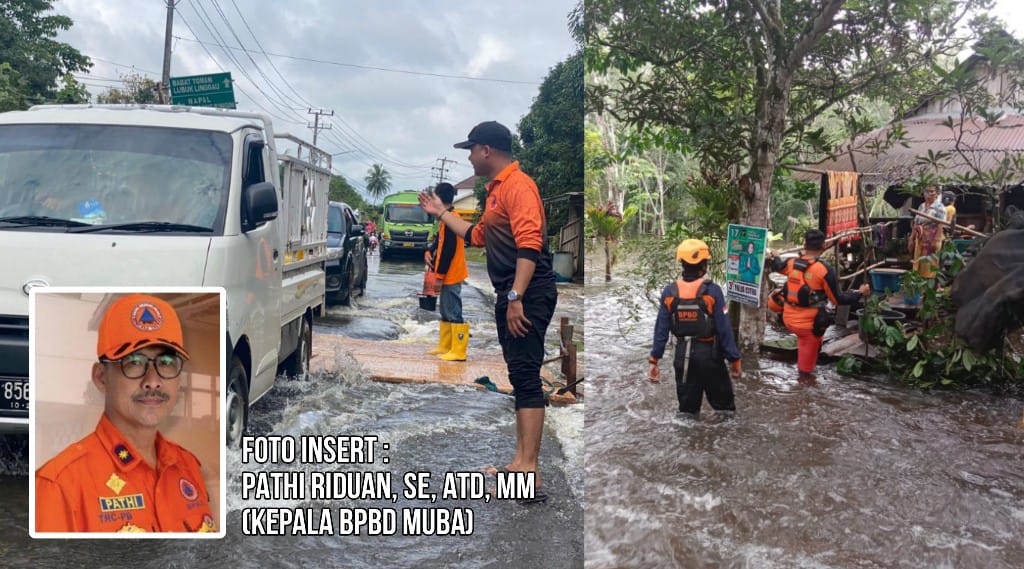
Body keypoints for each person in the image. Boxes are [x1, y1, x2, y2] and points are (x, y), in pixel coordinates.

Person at [418, 120, 557, 503]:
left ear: (487, 151)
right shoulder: (496, 192)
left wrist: (515, 298)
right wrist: (441, 211)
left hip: (527, 292)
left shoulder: (519, 187)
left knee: (526, 377)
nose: (468, 156)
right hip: (513, 292)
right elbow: (477, 236)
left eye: (471, 149)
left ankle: (530, 472)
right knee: (519, 374)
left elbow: (530, 247)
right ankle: (519, 463)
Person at [35, 294, 217, 533]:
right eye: (134, 362)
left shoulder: (189, 467)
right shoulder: (60, 486)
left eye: (165, 362)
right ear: (101, 377)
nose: (153, 381)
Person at [648, 239, 742, 418]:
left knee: (687, 413)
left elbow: (661, 329)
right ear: (704, 265)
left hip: (683, 358)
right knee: (725, 411)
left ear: (682, 263)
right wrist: (734, 360)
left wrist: (654, 361)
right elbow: (724, 330)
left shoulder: (670, 293)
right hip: (711, 357)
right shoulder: (712, 292)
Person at [769, 229, 870, 382]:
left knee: (813, 344)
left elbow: (777, 266)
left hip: (788, 319)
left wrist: (776, 256)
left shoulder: (791, 264)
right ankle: (804, 393)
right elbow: (839, 300)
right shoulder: (824, 270)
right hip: (808, 327)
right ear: (823, 246)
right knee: (805, 374)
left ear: (804, 244)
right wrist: (860, 292)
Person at [424, 182, 470, 361]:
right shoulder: (445, 219)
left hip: (452, 274)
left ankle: (459, 351)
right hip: (447, 273)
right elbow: (439, 243)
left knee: (453, 311)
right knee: (445, 310)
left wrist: (439, 276)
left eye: (434, 197)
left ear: (440, 199)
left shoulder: (452, 219)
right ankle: (445, 346)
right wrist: (429, 251)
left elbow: (448, 251)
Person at [908, 185, 946, 278]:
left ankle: (929, 286)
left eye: (932, 191)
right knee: (918, 263)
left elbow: (940, 225)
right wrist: (911, 238)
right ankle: (918, 287)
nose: (929, 194)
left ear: (937, 194)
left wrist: (936, 240)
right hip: (920, 237)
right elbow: (916, 222)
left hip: (932, 238)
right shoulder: (921, 206)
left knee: (929, 263)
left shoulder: (939, 207)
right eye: (926, 191)